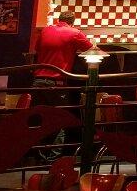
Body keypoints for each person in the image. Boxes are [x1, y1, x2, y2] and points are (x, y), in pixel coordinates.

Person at [33, 12, 93, 160]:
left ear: (58, 20)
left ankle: (39, 157)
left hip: (38, 82)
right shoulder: (74, 33)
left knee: (40, 121)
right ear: (72, 22)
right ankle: (52, 160)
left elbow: (37, 49)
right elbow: (91, 49)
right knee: (60, 121)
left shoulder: (46, 30)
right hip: (57, 83)